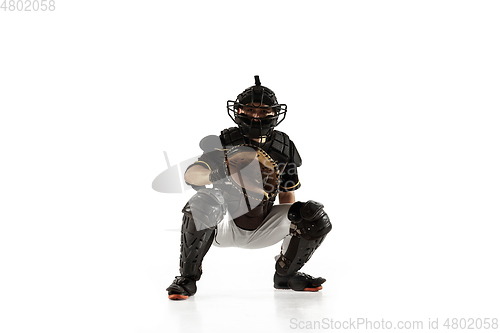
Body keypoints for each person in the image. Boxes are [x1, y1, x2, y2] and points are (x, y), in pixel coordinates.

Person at [166, 76, 332, 300]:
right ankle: (187, 278)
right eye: (250, 109)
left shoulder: (284, 147)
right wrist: (220, 172)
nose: (256, 115)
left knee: (313, 216)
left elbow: (286, 194)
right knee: (202, 202)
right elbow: (190, 174)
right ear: (238, 111)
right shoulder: (225, 142)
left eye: (263, 111)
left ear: (274, 113)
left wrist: (290, 232)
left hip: (262, 222)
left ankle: (286, 274)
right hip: (222, 223)